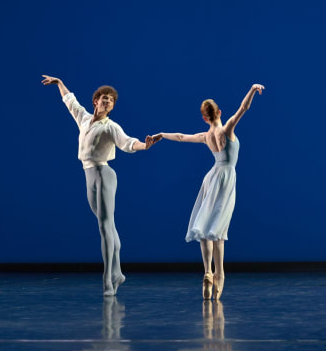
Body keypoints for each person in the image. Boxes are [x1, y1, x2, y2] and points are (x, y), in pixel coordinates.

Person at [41, 75, 155, 296]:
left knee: (104, 227)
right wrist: (60, 83)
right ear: (96, 101)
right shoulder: (85, 119)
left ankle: (108, 280)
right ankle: (119, 272)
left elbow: (128, 142)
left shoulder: (110, 126)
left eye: (111, 100)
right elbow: (70, 102)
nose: (107, 102)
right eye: (104, 98)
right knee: (108, 226)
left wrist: (144, 146)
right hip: (88, 174)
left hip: (104, 174)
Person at [152, 84, 264, 300]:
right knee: (218, 230)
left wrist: (162, 135)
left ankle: (207, 272)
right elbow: (244, 107)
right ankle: (219, 274)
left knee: (205, 226)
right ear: (219, 112)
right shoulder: (227, 129)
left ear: (204, 118)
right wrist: (252, 89)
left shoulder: (206, 135)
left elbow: (181, 136)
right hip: (226, 178)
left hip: (212, 177)